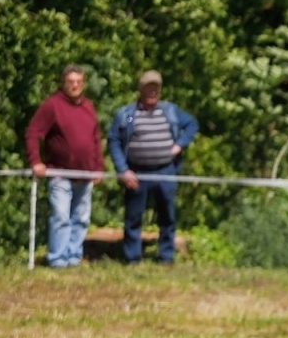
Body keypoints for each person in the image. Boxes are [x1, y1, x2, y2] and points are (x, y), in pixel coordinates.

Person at [108, 71, 197, 265]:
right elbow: (115, 137)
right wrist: (123, 170)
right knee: (133, 217)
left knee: (167, 215)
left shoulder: (170, 112)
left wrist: (179, 144)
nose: (152, 91)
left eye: (155, 87)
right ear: (140, 89)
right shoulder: (130, 115)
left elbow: (191, 124)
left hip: (166, 170)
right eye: (148, 87)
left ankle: (166, 257)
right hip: (137, 172)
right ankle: (132, 258)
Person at [25, 64, 106, 268]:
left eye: (78, 82)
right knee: (61, 216)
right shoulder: (53, 105)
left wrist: (99, 167)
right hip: (60, 173)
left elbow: (95, 138)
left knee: (81, 218)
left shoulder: (88, 106)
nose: (75, 85)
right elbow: (33, 133)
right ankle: (58, 259)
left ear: (83, 84)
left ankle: (73, 257)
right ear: (64, 84)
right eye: (71, 82)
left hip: (85, 174)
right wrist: (36, 161)